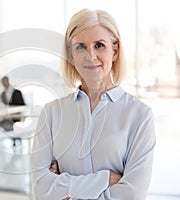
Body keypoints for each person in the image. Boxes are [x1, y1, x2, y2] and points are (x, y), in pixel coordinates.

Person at [31, 9, 156, 200]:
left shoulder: (139, 115)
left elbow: (133, 194)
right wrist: (104, 180)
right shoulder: (51, 113)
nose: (90, 55)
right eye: (80, 47)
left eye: (99, 45)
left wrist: (64, 189)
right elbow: (40, 188)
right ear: (71, 55)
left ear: (114, 51)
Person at [0, 76, 25, 146]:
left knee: (14, 127)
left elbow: (22, 105)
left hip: (16, 116)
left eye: (5, 82)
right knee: (2, 124)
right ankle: (14, 139)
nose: (4, 84)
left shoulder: (17, 92)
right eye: (3, 83)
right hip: (6, 117)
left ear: (8, 81)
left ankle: (16, 140)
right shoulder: (2, 94)